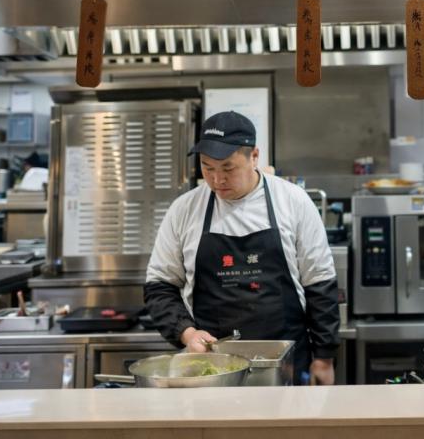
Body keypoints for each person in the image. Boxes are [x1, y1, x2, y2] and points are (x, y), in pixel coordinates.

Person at [144, 111, 340, 385]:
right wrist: (187, 333)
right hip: (211, 367)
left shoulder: (293, 201)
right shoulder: (184, 209)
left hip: (286, 363)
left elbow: (319, 282)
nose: (217, 180)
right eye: (207, 168)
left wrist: (324, 358)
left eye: (228, 168)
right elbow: (160, 285)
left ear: (254, 156)